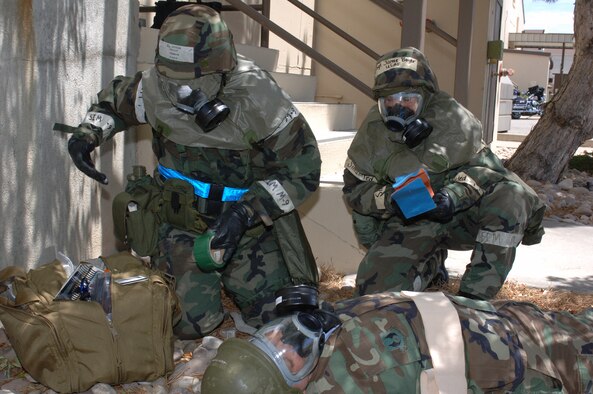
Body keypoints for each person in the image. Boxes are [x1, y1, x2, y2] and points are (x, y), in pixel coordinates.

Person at [57, 4, 321, 339]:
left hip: (249, 230)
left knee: (279, 321)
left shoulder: (258, 97)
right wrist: (88, 135)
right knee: (188, 325)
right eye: (170, 78)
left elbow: (304, 168)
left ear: (222, 69)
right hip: (183, 226)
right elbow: (113, 104)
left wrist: (245, 212)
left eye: (191, 83)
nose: (178, 92)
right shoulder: (156, 84)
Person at [342, 47, 546, 300]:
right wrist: (389, 199)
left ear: (426, 97)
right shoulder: (372, 135)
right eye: (390, 101)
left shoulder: (455, 120)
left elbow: (489, 172)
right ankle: (430, 267)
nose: (398, 107)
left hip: (463, 214)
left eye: (408, 99)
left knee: (512, 196)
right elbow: (354, 191)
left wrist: (454, 195)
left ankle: (475, 298)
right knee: (374, 295)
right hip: (411, 216)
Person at [201, 291, 593, 393]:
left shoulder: (356, 382)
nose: (292, 342)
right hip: (506, 321)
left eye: (273, 338)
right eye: (287, 361)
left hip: (549, 365)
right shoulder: (337, 324)